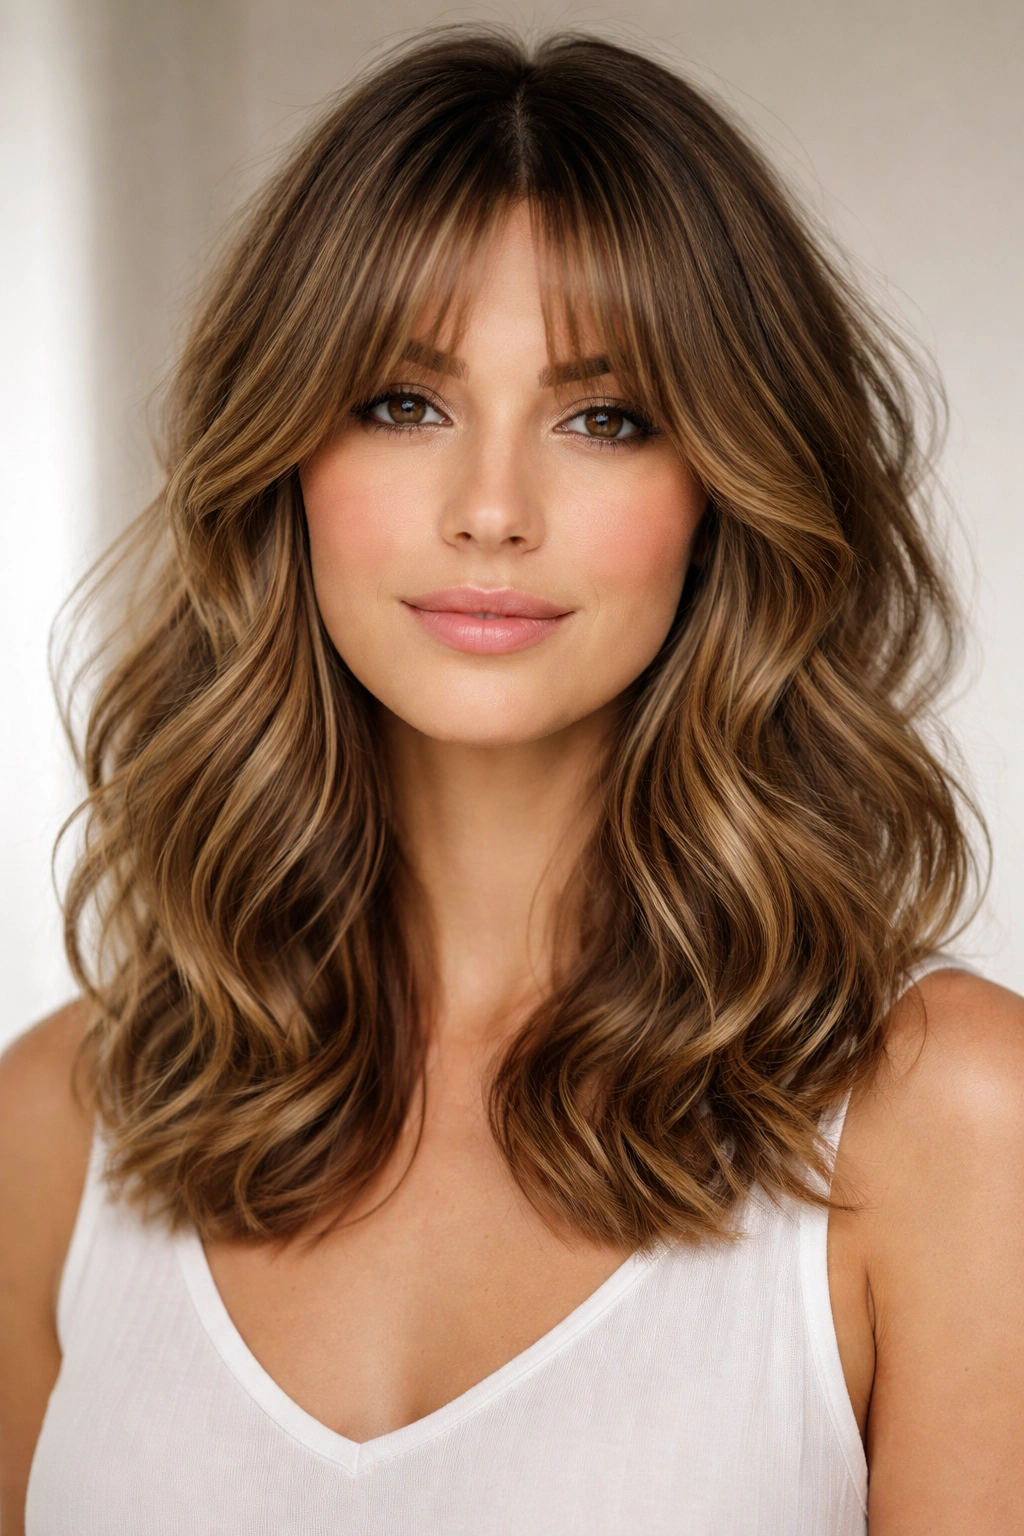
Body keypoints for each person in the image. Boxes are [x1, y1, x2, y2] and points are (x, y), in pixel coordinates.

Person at [1, 28, 1021, 1536]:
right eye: (401, 404)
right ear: (280, 463)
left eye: (604, 418)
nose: (491, 509)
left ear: (727, 489)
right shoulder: (64, 1119)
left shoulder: (951, 1121)